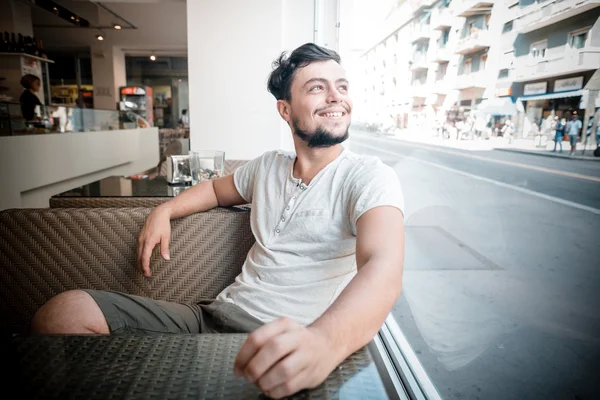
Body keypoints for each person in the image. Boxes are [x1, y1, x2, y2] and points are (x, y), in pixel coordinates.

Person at [30, 43, 405, 399]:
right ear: (285, 110)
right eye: (317, 88)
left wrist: (324, 343)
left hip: (282, 342)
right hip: (211, 317)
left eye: (341, 86)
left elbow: (382, 265)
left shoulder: (369, 177)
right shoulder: (267, 166)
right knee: (64, 313)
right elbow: (212, 190)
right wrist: (164, 211)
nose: (336, 97)